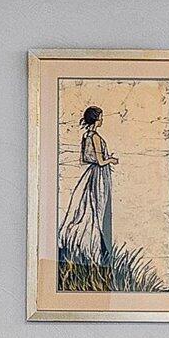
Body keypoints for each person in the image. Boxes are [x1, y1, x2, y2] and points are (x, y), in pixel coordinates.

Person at [57, 103, 116, 281]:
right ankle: (95, 252)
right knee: (97, 211)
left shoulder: (86, 136)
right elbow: (99, 160)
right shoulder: (95, 137)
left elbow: (84, 158)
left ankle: (88, 249)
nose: (102, 120)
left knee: (87, 209)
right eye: (101, 117)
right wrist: (111, 159)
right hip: (98, 176)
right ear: (97, 119)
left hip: (90, 175)